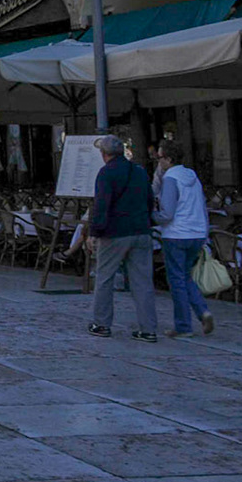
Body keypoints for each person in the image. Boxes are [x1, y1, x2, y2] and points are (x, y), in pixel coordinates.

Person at [87, 134, 158, 342]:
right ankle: (148, 329)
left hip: (115, 233)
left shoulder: (106, 173)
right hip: (141, 230)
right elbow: (149, 200)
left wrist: (94, 232)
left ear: (104, 154)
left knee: (105, 278)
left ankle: (101, 324)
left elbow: (101, 205)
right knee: (143, 282)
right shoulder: (139, 171)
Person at [155, 140, 214, 338]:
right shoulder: (192, 176)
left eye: (160, 157)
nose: (158, 162)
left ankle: (183, 325)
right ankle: (202, 311)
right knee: (185, 276)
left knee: (176, 280)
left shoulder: (170, 179)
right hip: (197, 232)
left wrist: (151, 216)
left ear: (169, 159)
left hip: (176, 234)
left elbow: (167, 213)